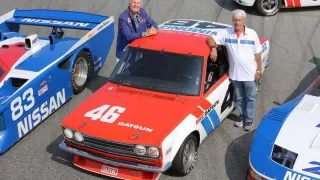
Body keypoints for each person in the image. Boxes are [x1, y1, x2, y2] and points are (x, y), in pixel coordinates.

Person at [206, 9, 262, 131]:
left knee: (250, 97)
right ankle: (242, 118)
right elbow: (209, 39)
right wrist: (214, 49)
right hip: (235, 74)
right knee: (240, 98)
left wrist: (259, 71)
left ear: (244, 21)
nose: (236, 22)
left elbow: (258, 54)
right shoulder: (226, 33)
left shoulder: (252, 34)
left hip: (250, 74)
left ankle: (249, 120)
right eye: (234, 20)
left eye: (239, 20)